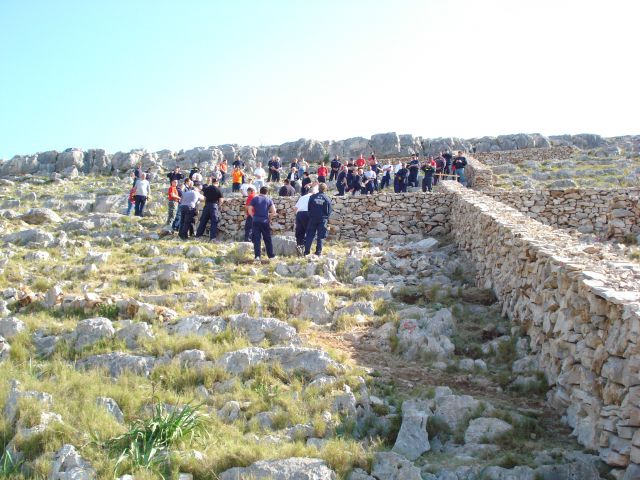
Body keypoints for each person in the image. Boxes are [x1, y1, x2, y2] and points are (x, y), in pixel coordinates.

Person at [248, 186, 276, 262]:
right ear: (267, 192)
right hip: (265, 221)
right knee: (267, 239)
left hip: (256, 221)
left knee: (256, 239)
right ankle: (271, 256)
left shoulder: (255, 198)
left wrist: (253, 216)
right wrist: (269, 219)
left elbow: (249, 208)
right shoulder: (268, 199)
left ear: (260, 191)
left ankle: (257, 256)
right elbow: (274, 211)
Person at [304, 183, 332, 256]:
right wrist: (325, 218)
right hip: (322, 220)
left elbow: (308, 208)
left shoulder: (312, 197)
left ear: (318, 189)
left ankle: (306, 252)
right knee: (320, 236)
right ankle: (318, 253)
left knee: (310, 235)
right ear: (325, 189)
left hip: (313, 218)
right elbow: (329, 211)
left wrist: (311, 215)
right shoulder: (327, 198)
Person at [195, 177, 224, 241]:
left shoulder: (207, 189)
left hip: (206, 206)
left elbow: (204, 198)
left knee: (203, 221)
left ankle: (197, 237)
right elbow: (221, 200)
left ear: (212, 182)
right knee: (214, 221)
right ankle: (212, 238)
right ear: (217, 183)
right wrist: (219, 206)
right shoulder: (218, 190)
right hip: (213, 206)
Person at [294, 184, 316, 256]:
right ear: (313, 192)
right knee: (309, 232)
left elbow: (295, 209)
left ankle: (299, 248)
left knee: (300, 232)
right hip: (308, 214)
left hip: (299, 214)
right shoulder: (313, 197)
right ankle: (306, 251)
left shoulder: (302, 197)